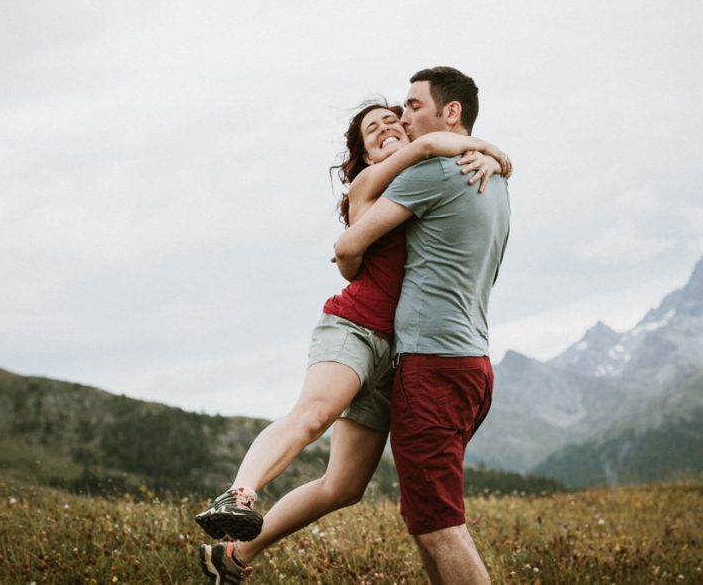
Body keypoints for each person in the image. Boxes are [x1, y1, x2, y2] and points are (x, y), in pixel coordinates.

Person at [196, 100, 511, 584]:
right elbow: (425, 148)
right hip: (356, 328)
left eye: (392, 122)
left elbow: (431, 161)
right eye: (372, 130)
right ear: (364, 155)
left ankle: (231, 557)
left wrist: (488, 161)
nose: (386, 129)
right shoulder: (370, 183)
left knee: (343, 486)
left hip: (400, 355)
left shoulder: (424, 183)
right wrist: (492, 150)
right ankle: (239, 495)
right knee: (313, 415)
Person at [334, 67, 510, 585]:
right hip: (471, 363)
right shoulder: (492, 179)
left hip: (432, 364)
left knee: (439, 526)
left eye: (413, 106)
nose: (404, 117)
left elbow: (348, 245)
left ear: (450, 112)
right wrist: (496, 154)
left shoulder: (433, 173)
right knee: (427, 519)